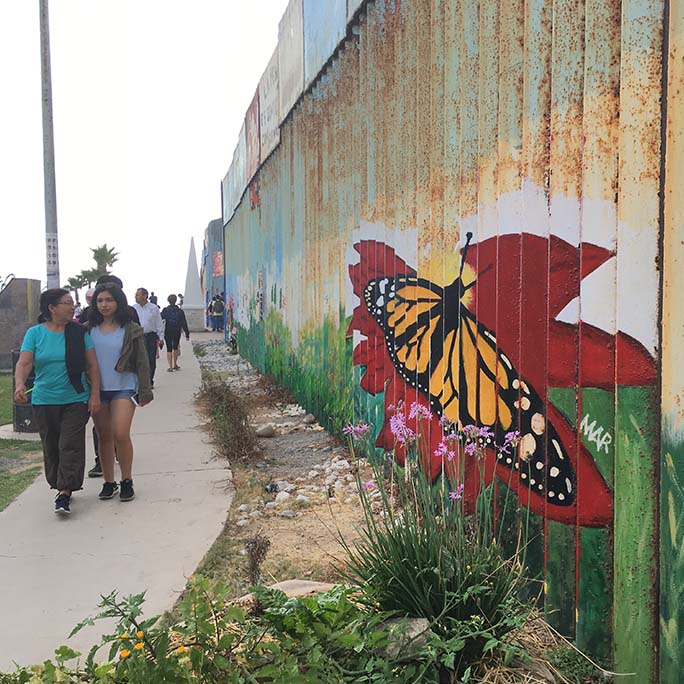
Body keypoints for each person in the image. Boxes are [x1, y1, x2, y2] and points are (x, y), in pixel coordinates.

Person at [14, 289, 101, 515]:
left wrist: (94, 396)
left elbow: (92, 366)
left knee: (69, 444)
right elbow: (24, 363)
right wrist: (19, 384)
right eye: (67, 303)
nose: (73, 307)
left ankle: (64, 492)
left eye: (73, 303)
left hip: (76, 398)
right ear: (52, 308)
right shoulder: (35, 333)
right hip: (44, 400)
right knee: (51, 446)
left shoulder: (79, 332)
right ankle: (59, 483)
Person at [88, 283, 153, 502]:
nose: (104, 305)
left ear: (118, 302)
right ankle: (109, 482)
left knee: (120, 433)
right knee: (103, 436)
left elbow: (142, 361)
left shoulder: (130, 328)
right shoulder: (88, 329)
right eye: (100, 301)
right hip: (98, 390)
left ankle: (127, 480)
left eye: (109, 300)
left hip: (124, 387)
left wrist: (145, 390)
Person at [133, 287, 164, 388]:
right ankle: (140, 381)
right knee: (138, 359)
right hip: (137, 336)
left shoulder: (153, 308)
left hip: (150, 336)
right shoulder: (133, 308)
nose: (136, 296)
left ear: (145, 296)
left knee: (150, 359)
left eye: (138, 294)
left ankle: (149, 381)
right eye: (136, 294)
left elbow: (159, 323)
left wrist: (161, 338)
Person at [161, 294, 189, 371]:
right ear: (176, 300)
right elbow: (184, 322)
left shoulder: (165, 310)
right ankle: (175, 364)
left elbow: (160, 319)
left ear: (168, 301)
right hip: (177, 330)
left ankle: (170, 366)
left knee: (169, 348)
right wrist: (187, 333)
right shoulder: (180, 311)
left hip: (168, 330)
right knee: (175, 347)